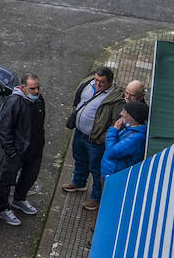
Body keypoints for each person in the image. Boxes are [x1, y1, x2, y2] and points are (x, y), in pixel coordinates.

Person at [63, 66, 125, 211]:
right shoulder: (88, 84)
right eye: (96, 80)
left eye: (101, 82)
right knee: (79, 159)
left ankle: (96, 198)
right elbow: (78, 100)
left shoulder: (116, 99)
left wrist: (101, 138)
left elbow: (115, 123)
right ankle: (79, 182)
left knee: (96, 169)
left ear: (110, 82)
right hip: (79, 133)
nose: (97, 84)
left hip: (96, 141)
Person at [0, 73, 46, 226]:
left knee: (29, 177)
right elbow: (4, 130)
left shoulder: (38, 100)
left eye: (38, 87)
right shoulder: (14, 102)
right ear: (23, 88)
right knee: (7, 180)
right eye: (32, 89)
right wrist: (12, 152)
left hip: (34, 150)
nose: (36, 91)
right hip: (17, 152)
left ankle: (19, 200)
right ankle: (2, 208)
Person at [102, 101, 150, 179]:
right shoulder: (129, 127)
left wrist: (113, 130)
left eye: (124, 111)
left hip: (115, 176)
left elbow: (111, 152)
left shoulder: (136, 138)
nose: (121, 113)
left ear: (132, 117)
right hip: (111, 172)